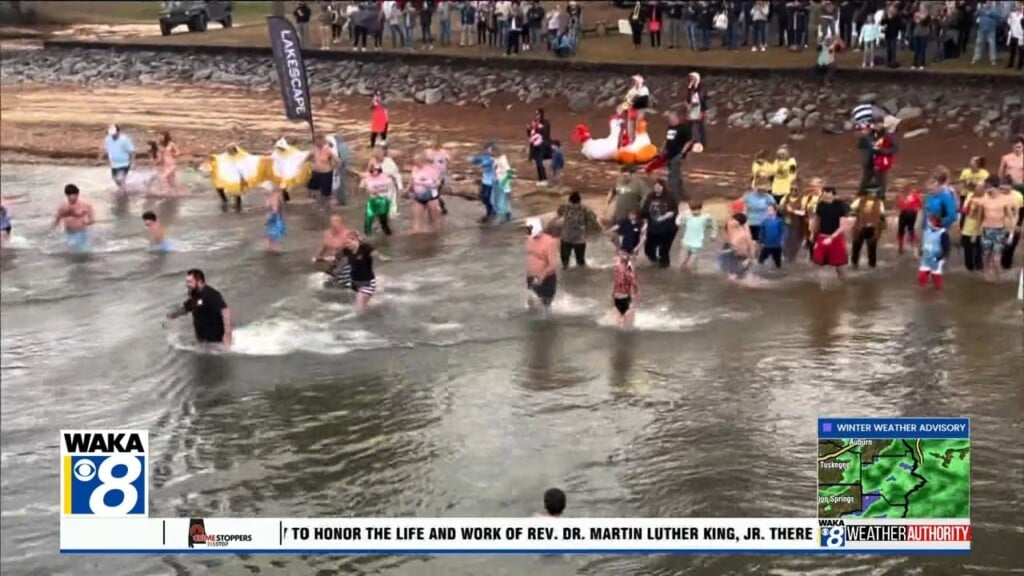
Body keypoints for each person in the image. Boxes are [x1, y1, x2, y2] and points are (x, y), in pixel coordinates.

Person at [166, 269, 232, 348]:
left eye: (190, 282)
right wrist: (173, 315)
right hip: (204, 342)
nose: (187, 284)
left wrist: (227, 334)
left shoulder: (211, 294)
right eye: (187, 282)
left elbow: (225, 311)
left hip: (217, 342)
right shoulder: (195, 295)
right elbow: (187, 308)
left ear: (199, 281)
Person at [974, 175, 1015, 282]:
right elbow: (979, 218)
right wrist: (975, 233)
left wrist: (1011, 234)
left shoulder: (1006, 199)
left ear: (995, 187)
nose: (986, 189)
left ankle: (1000, 280)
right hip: (986, 230)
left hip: (1000, 231)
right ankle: (987, 278)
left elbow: (1011, 218)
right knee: (985, 256)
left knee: (997, 259)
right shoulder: (984, 199)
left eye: (987, 187)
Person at [810, 186, 852, 278]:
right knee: (816, 261)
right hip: (822, 236)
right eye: (824, 197)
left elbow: (843, 226)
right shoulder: (820, 205)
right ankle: (813, 285)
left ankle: (844, 284)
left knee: (839, 265)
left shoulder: (841, 205)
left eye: (828, 197)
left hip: (836, 237)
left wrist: (832, 237)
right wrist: (813, 234)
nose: (826, 199)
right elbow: (817, 219)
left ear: (833, 195)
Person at [555, 191, 601, 269]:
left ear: (579, 202)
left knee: (580, 263)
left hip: (579, 240)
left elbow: (594, 220)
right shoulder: (564, 207)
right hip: (566, 239)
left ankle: (581, 278)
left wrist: (597, 230)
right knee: (564, 263)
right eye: (572, 204)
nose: (573, 206)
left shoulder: (585, 210)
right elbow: (558, 214)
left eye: (575, 204)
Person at [641, 179, 679, 268]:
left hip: (667, 229)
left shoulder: (670, 197)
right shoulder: (650, 197)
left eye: (659, 187)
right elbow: (644, 211)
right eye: (655, 187)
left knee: (664, 250)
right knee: (648, 249)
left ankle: (664, 269)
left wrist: (668, 215)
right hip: (653, 228)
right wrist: (644, 222)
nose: (657, 188)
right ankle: (654, 262)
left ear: (663, 187)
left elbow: (675, 210)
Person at [524, 217, 559, 311]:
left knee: (546, 307)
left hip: (546, 279)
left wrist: (541, 277)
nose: (527, 232)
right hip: (532, 277)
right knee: (531, 306)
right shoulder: (529, 239)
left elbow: (553, 264)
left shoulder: (549, 242)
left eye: (529, 229)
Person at [52, 184, 95, 253]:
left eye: (74, 195)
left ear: (78, 194)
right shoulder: (63, 207)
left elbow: (92, 219)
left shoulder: (85, 205)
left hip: (82, 232)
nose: (72, 198)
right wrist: (54, 230)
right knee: (72, 249)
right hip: (69, 232)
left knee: (85, 251)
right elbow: (57, 218)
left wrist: (88, 222)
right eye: (70, 196)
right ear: (67, 196)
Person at [341, 231, 378, 312]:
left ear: (355, 240)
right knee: (363, 305)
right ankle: (375, 308)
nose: (347, 245)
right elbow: (337, 258)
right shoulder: (347, 250)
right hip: (355, 283)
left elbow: (375, 253)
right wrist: (320, 259)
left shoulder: (365, 248)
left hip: (367, 283)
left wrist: (378, 257)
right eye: (345, 243)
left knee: (359, 309)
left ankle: (363, 322)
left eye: (348, 242)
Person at [662, 110, 694, 200]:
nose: (669, 120)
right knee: (677, 176)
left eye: (670, 118)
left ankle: (675, 198)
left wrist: (683, 152)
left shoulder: (683, 128)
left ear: (675, 118)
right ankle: (682, 194)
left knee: (672, 178)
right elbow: (667, 139)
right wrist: (663, 149)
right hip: (669, 155)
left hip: (677, 155)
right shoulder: (670, 128)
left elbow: (689, 140)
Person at [677, 199, 717, 270]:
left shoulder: (705, 217)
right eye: (692, 210)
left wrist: (713, 234)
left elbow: (714, 224)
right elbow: (677, 222)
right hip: (686, 243)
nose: (694, 212)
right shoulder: (687, 216)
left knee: (690, 266)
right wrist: (684, 213)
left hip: (697, 244)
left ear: (700, 209)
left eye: (696, 210)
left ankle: (691, 276)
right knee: (680, 265)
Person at [849, 192, 885, 269]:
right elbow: (851, 209)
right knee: (857, 247)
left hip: (871, 228)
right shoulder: (860, 201)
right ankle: (856, 264)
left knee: (870, 249)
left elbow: (882, 216)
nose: (872, 195)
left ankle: (869, 265)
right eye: (871, 193)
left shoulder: (878, 202)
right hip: (861, 227)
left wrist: (880, 229)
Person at [408, 153, 442, 234]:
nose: (415, 163)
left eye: (416, 161)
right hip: (418, 196)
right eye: (414, 162)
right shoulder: (415, 169)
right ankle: (417, 231)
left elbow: (438, 182)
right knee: (417, 217)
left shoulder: (431, 170)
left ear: (422, 161)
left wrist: (432, 185)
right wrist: (409, 189)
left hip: (431, 195)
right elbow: (412, 180)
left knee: (433, 217)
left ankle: (436, 232)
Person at [718, 213, 755, 281]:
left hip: (740, 256)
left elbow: (750, 245)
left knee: (736, 276)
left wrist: (751, 258)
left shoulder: (744, 233)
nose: (731, 221)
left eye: (733, 220)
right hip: (732, 252)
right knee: (729, 274)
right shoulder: (731, 226)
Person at [307, 135, 341, 210]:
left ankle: (324, 205)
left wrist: (336, 168)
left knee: (325, 192)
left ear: (322, 141)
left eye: (318, 141)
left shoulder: (328, 150)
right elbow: (308, 157)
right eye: (315, 141)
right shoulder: (314, 149)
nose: (316, 143)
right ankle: (316, 202)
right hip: (316, 172)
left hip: (326, 173)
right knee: (311, 187)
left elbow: (337, 160)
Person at [918, 216, 950, 290]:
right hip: (926, 258)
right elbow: (924, 242)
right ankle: (923, 296)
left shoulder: (943, 233)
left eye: (931, 221)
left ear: (937, 223)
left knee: (936, 280)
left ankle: (937, 293)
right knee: (921, 278)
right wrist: (921, 251)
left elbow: (946, 248)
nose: (929, 223)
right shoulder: (927, 231)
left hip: (937, 259)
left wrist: (940, 258)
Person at [360, 163, 393, 236]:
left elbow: (391, 189)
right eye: (373, 171)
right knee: (372, 216)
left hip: (384, 200)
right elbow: (362, 188)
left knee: (384, 217)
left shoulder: (386, 178)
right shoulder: (366, 179)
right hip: (373, 200)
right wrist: (367, 189)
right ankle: (373, 230)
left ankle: (386, 231)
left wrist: (389, 199)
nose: (375, 172)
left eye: (376, 170)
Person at [102, 124, 135, 195]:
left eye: (114, 133)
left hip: (124, 164)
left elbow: (131, 151)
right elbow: (107, 149)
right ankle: (124, 189)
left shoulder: (124, 140)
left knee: (120, 179)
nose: (113, 135)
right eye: (111, 134)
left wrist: (132, 162)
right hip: (114, 164)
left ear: (118, 132)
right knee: (115, 180)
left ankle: (123, 195)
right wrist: (101, 157)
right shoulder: (108, 139)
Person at [470, 143, 498, 222]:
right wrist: (473, 159)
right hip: (484, 181)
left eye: (490, 149)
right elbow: (475, 160)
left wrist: (481, 164)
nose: (488, 151)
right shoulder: (484, 157)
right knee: (483, 198)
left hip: (491, 182)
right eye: (487, 149)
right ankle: (492, 210)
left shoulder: (493, 159)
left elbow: (486, 163)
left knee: (487, 198)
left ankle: (489, 213)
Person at [1000, 179, 1023, 270]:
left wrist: (1019, 225)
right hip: (999, 225)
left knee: (1009, 249)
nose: (1004, 191)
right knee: (998, 249)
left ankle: (1006, 266)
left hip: (1013, 225)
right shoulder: (997, 195)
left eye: (1006, 189)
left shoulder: (1018, 196)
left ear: (1011, 186)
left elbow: (1021, 212)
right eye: (1002, 189)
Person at [611, 250, 639, 327]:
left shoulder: (628, 274)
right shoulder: (617, 272)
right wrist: (612, 296)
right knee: (616, 325)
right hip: (617, 299)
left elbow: (634, 285)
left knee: (628, 327)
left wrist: (635, 298)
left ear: (623, 263)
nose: (614, 264)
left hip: (626, 300)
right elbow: (615, 285)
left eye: (616, 261)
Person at [425, 137, 451, 215]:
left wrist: (447, 170)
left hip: (440, 176)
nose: (434, 145)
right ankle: (437, 207)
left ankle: (439, 207)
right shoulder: (427, 152)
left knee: (435, 193)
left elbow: (449, 161)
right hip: (430, 176)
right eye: (433, 143)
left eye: (436, 144)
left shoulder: (444, 152)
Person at [527, 108, 552, 186]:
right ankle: (540, 179)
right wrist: (528, 129)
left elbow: (545, 132)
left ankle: (544, 179)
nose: (537, 116)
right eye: (536, 114)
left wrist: (537, 128)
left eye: (538, 114)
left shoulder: (545, 123)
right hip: (535, 146)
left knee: (540, 162)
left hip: (542, 146)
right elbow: (531, 134)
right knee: (537, 162)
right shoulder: (534, 123)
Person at [757, 204, 786, 269]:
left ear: (775, 211)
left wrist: (782, 241)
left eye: (770, 210)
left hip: (777, 246)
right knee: (760, 261)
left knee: (778, 264)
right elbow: (762, 233)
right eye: (768, 210)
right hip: (767, 245)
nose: (768, 211)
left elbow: (783, 232)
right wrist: (761, 241)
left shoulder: (779, 221)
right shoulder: (764, 222)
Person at [896, 187, 923, 254]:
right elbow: (920, 205)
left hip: (905, 213)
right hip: (912, 213)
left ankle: (901, 247)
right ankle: (916, 246)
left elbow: (898, 205)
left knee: (901, 230)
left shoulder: (901, 195)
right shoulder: (916, 195)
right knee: (910, 229)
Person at [156, 131, 180, 195]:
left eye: (162, 136)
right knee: (171, 181)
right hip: (165, 165)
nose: (160, 138)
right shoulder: (160, 146)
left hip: (172, 165)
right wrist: (158, 161)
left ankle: (166, 192)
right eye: (160, 136)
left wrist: (172, 154)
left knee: (164, 177)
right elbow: (160, 156)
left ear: (165, 137)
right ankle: (175, 193)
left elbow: (178, 152)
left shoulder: (171, 144)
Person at [265, 186, 286, 252]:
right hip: (276, 217)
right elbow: (279, 207)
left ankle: (272, 248)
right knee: (273, 234)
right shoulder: (277, 196)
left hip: (274, 217)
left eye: (264, 190)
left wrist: (271, 217)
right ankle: (272, 247)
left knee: (272, 234)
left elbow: (275, 209)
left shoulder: (273, 197)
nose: (262, 191)